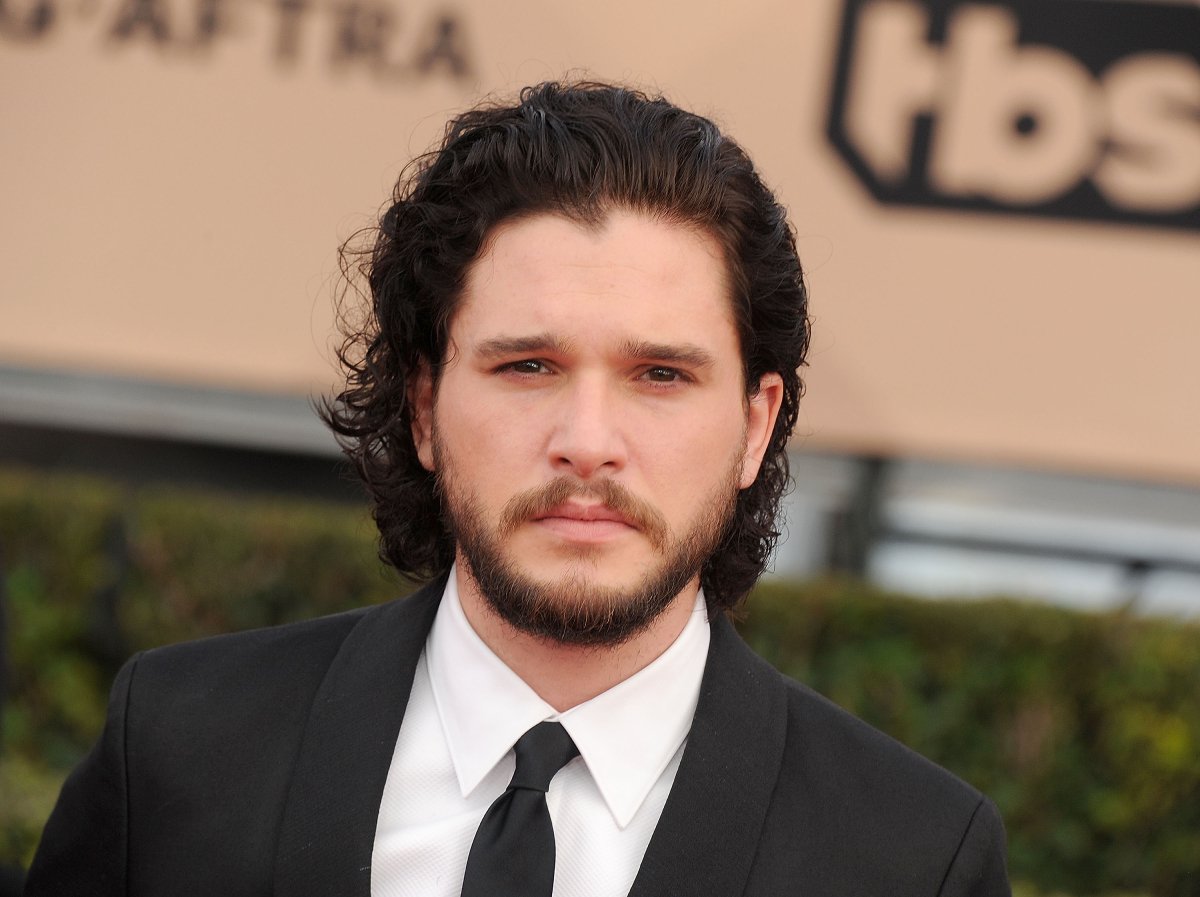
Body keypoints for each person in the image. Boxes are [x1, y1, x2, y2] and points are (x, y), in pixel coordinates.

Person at [26, 81, 1011, 896]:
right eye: (528, 366)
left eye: (660, 375)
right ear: (423, 406)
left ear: (755, 426)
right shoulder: (178, 748)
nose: (586, 444)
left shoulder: (912, 858)